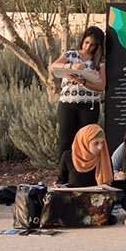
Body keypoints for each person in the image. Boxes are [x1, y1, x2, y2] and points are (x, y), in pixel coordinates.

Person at [49, 26, 105, 186]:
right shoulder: (70, 55)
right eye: (86, 42)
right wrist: (72, 67)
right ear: (82, 40)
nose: (88, 47)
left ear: (98, 46)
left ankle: (85, 178)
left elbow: (101, 86)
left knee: (89, 142)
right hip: (67, 105)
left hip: (89, 105)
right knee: (66, 140)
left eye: (92, 45)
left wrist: (83, 81)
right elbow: (54, 67)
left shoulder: (99, 60)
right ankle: (62, 179)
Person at [66, 123, 114, 189]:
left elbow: (111, 183)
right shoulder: (68, 157)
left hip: (97, 197)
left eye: (102, 143)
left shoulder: (103, 157)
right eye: (96, 143)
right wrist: (61, 186)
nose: (100, 147)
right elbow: (62, 180)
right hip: (73, 196)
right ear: (84, 142)